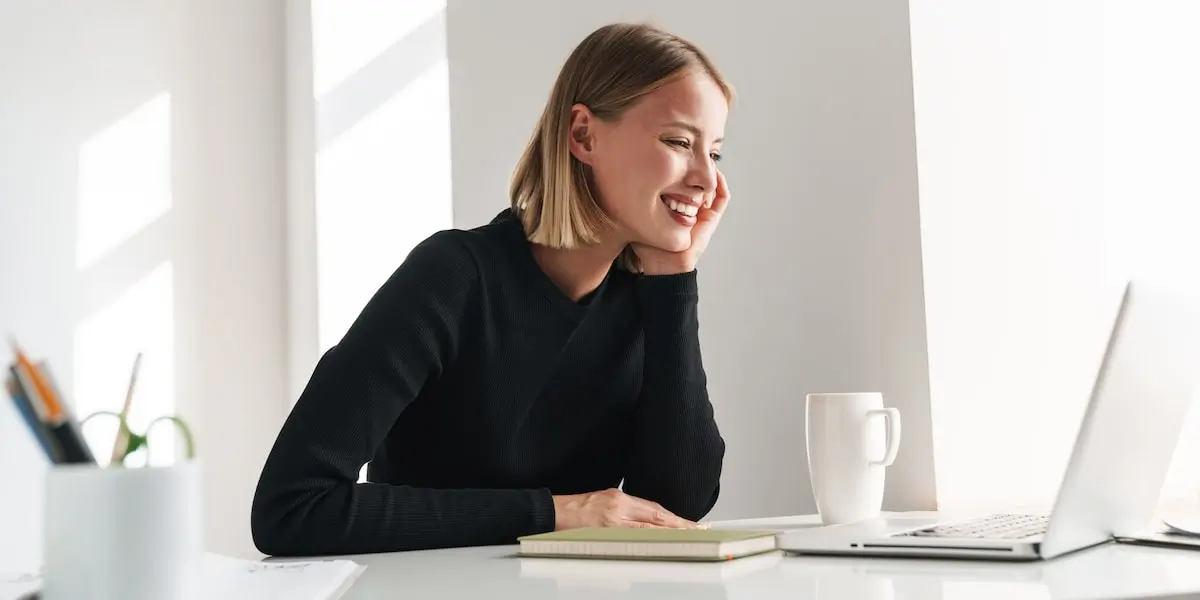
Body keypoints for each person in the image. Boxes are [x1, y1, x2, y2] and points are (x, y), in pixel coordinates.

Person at [251, 21, 734, 557]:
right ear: (583, 135)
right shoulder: (452, 277)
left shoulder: (644, 298)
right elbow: (291, 506)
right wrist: (554, 512)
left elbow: (676, 504)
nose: (707, 181)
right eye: (678, 141)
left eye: (714, 152)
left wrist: (675, 281)